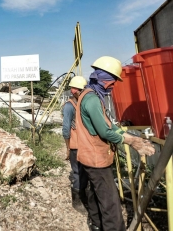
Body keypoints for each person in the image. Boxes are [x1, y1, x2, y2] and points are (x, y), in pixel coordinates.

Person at [76, 56, 155, 231]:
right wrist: (130, 141)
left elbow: (108, 125)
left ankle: (96, 225)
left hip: (90, 158)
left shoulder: (89, 95)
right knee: (110, 202)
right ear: (103, 79)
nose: (113, 86)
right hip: (96, 160)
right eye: (112, 81)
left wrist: (129, 136)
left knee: (96, 193)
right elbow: (104, 131)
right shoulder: (92, 100)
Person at [62, 75, 89, 212]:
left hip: (86, 144)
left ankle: (86, 196)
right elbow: (66, 129)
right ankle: (77, 201)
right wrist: (67, 148)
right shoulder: (69, 106)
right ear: (75, 91)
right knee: (78, 172)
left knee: (86, 172)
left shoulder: (83, 103)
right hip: (76, 146)